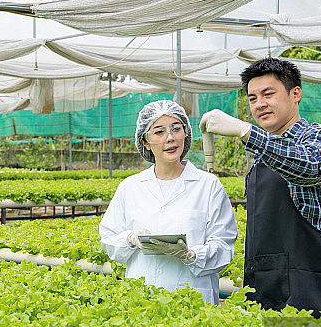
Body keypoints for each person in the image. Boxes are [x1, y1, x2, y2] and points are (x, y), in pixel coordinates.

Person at [199, 57, 321, 315]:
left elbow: (310, 166)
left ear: (295, 94)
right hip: (265, 285)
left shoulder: (318, 136)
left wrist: (246, 131)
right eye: (253, 98)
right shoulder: (261, 155)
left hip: (311, 284)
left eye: (268, 94)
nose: (260, 104)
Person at [99, 100, 237, 305]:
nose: (170, 137)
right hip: (142, 301)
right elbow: (109, 238)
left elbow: (224, 244)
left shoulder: (209, 185)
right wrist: (130, 238)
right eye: (159, 132)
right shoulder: (130, 187)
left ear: (186, 133)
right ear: (145, 141)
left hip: (195, 301)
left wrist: (192, 255)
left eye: (176, 129)